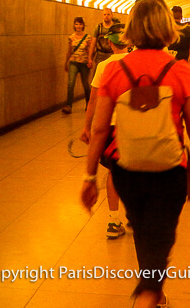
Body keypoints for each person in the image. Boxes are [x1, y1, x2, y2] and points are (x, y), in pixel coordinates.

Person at [81, 0, 190, 308]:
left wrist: (90, 176)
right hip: (169, 172)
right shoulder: (180, 71)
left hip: (127, 170)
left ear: (133, 29)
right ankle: (148, 294)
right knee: (161, 238)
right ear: (167, 28)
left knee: (143, 231)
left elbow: (101, 130)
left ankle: (152, 290)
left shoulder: (115, 71)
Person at [80, 23, 130, 239]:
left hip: (111, 125)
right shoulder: (137, 62)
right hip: (134, 124)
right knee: (136, 171)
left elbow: (93, 101)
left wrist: (86, 126)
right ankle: (135, 216)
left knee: (114, 172)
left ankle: (113, 219)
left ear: (109, 43)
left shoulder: (103, 67)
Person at [62, 17, 92, 114]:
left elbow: (90, 51)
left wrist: (90, 60)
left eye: (80, 24)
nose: (78, 26)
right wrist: (66, 62)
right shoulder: (71, 37)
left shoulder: (88, 37)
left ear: (83, 25)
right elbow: (69, 50)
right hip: (73, 62)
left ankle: (89, 103)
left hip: (84, 63)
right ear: (74, 25)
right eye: (76, 24)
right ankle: (69, 105)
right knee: (71, 83)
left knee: (85, 84)